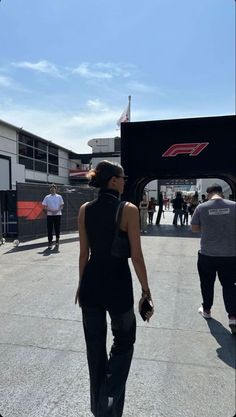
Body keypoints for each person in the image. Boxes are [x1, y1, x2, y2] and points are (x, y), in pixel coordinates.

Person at [75, 160, 154, 417]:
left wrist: (80, 284)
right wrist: (146, 290)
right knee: (124, 341)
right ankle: (109, 397)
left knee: (94, 349)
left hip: (91, 286)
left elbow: (83, 254)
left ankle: (101, 408)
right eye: (122, 177)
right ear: (112, 181)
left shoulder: (85, 209)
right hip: (118, 286)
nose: (125, 180)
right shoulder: (128, 209)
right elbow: (137, 256)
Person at [191, 183, 236, 334]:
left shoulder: (201, 207)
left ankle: (207, 310)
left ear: (209, 193)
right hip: (230, 255)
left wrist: (210, 227)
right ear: (221, 193)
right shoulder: (234, 206)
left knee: (207, 284)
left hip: (207, 255)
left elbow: (194, 228)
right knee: (229, 285)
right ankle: (233, 316)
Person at [42, 184, 64, 249]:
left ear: (56, 189)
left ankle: (57, 240)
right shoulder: (47, 197)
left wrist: (57, 210)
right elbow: (44, 207)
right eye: (51, 189)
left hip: (58, 215)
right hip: (50, 215)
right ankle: (50, 242)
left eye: (54, 189)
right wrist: (51, 210)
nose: (52, 190)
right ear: (50, 190)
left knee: (57, 228)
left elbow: (62, 205)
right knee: (49, 229)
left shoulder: (59, 197)